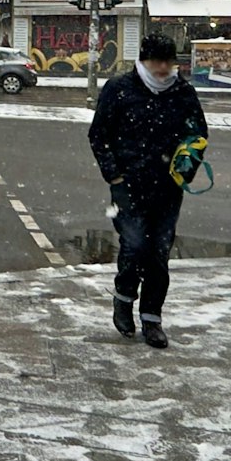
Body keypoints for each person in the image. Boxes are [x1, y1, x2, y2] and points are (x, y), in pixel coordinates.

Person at [86, 33, 209, 349]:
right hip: (128, 186)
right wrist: (113, 176)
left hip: (168, 189)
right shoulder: (120, 89)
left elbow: (198, 135)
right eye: (157, 61)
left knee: (158, 253)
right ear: (143, 60)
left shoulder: (183, 93)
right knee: (135, 245)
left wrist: (186, 171)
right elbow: (99, 134)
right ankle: (124, 297)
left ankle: (152, 319)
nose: (163, 68)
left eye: (168, 62)